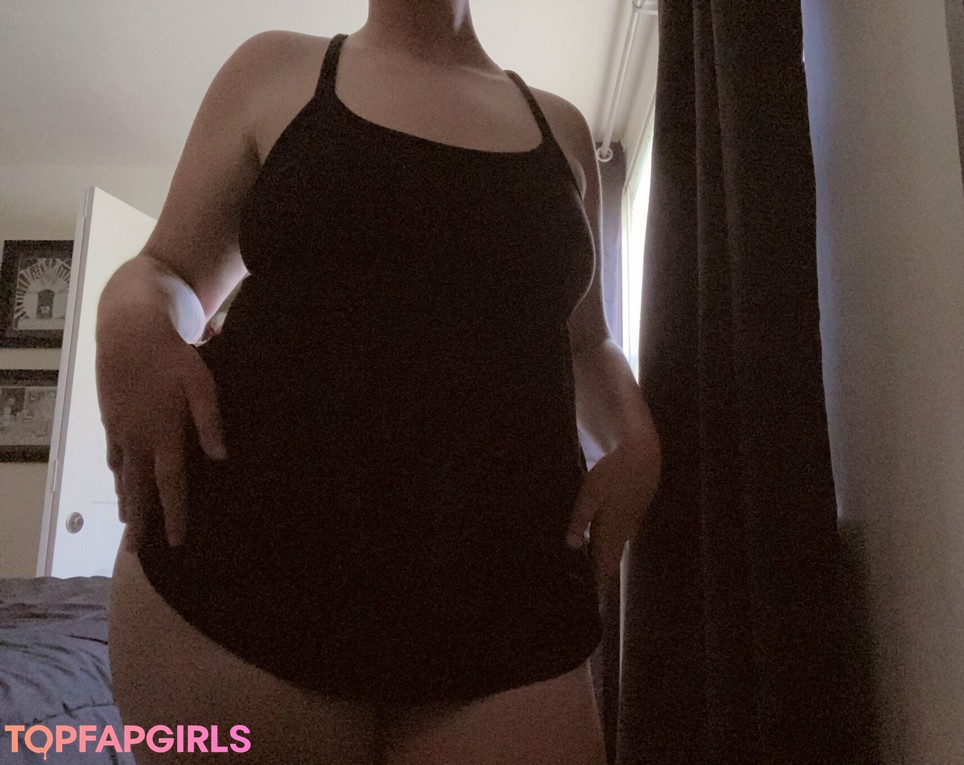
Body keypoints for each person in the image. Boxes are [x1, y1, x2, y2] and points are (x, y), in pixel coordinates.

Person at [96, 2, 662, 764]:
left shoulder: (562, 127)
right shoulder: (273, 69)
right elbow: (167, 270)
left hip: (504, 593)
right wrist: (128, 321)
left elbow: (585, 341)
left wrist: (636, 438)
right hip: (241, 575)